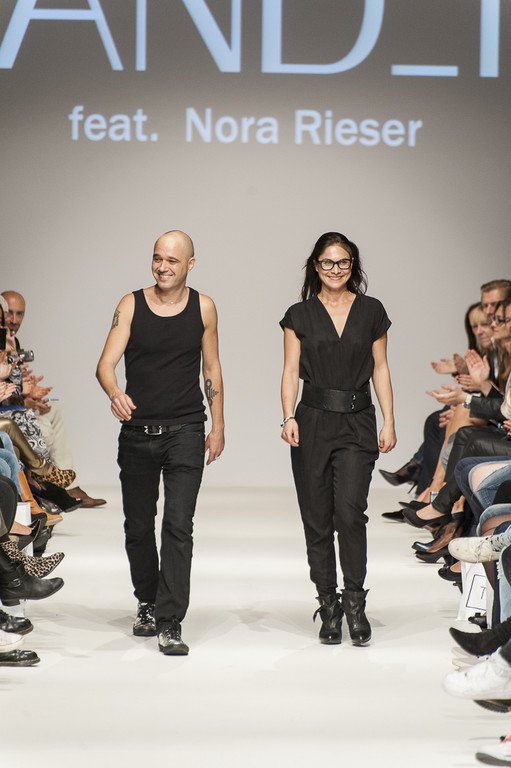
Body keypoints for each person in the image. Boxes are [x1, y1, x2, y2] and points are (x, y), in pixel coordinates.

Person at [96, 230, 224, 656]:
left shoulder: (203, 307)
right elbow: (105, 364)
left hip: (186, 430)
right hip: (137, 432)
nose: (162, 267)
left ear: (190, 264)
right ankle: (148, 602)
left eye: (172, 260)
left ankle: (170, 621)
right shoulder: (130, 304)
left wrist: (218, 426)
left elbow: (212, 368)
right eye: (157, 258)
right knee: (137, 526)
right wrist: (115, 392)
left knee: (178, 526)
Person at [280, 231, 396, 647]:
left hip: (357, 420)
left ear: (353, 265)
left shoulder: (372, 311)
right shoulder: (298, 315)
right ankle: (328, 606)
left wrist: (389, 420)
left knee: (349, 514)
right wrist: (287, 415)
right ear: (316, 266)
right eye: (327, 262)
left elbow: (380, 367)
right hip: (312, 420)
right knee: (316, 518)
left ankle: (355, 603)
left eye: (343, 262)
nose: (335, 269)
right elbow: (290, 369)